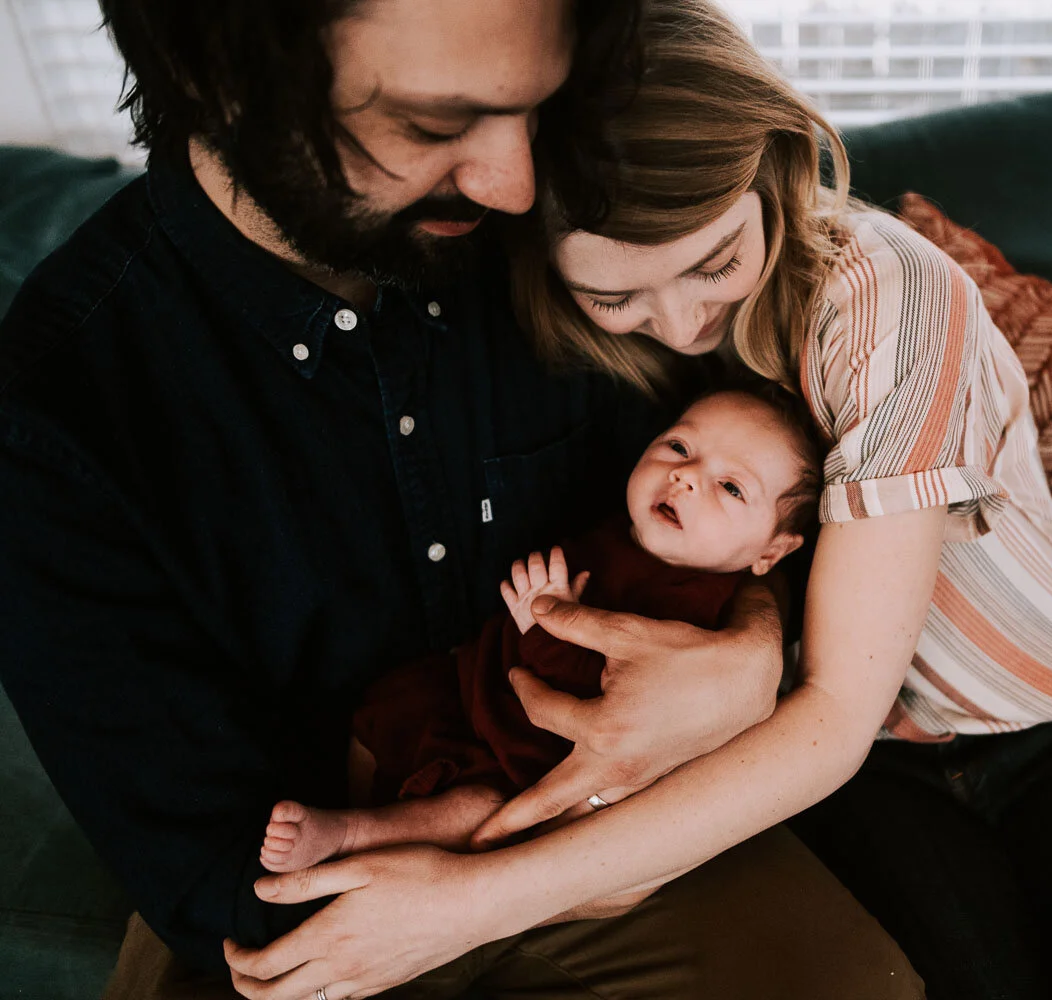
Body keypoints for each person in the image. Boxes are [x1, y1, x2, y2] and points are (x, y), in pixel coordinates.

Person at [354, 1, 1052, 998]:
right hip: (857, 760)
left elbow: (837, 710)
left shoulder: (885, 298)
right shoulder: (587, 347)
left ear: (779, 166)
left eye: (713, 261)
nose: (678, 324)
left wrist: (462, 905)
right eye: (617, 296)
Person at [0, 0, 923, 998]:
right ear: (222, 85)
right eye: (436, 125)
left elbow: (741, 501)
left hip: (614, 816)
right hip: (327, 887)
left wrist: (749, 647)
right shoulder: (54, 420)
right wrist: (520, 876)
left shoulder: (563, 240)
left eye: (533, 107)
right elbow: (217, 883)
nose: (515, 182)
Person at [260, 388, 818, 886]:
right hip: (473, 690)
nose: (686, 475)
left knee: (479, 813)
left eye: (730, 487)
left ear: (770, 552)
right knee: (384, 709)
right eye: (678, 447)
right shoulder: (624, 533)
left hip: (526, 758)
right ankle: (347, 804)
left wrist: (541, 624)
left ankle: (349, 835)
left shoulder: (695, 611)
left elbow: (611, 697)